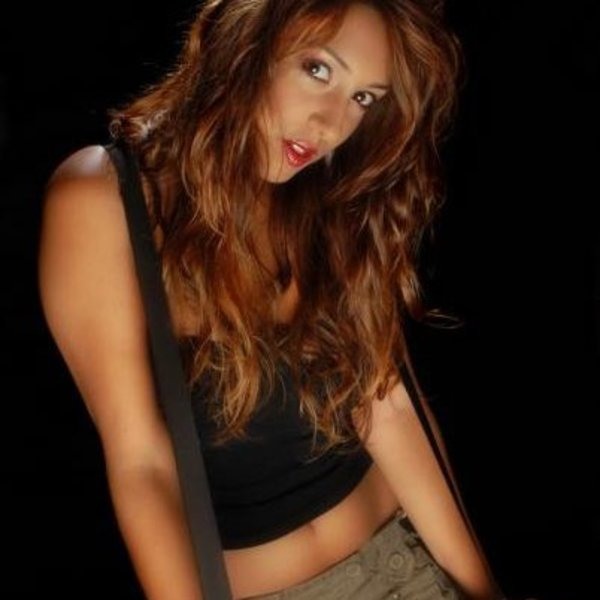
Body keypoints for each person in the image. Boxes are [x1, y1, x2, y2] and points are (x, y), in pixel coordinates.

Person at [37, 1, 505, 599]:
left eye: (363, 98)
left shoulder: (325, 197)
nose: (330, 124)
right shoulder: (105, 199)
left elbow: (388, 406)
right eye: (318, 70)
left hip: (406, 564)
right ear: (249, 41)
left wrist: (480, 590)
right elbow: (143, 465)